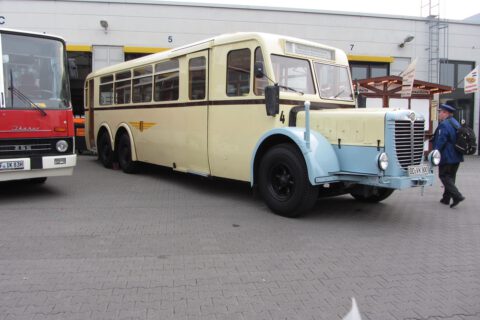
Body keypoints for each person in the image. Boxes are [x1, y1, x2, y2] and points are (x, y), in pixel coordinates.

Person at [433, 104, 465, 208]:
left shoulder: (444, 124)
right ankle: (446, 198)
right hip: (457, 154)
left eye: (440, 112)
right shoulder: (455, 122)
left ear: (445, 113)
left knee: (444, 175)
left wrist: (436, 151)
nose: (439, 114)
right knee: (450, 177)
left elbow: (442, 140)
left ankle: (457, 196)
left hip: (447, 155)